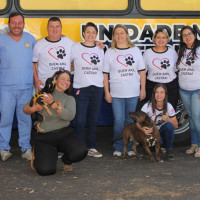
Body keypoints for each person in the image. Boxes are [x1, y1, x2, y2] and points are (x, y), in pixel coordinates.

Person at [24, 70, 88, 176]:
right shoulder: (42, 94)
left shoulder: (69, 99)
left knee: (80, 151)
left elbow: (70, 116)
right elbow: (25, 108)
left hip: (64, 134)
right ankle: (44, 156)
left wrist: (52, 103)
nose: (66, 82)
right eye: (62, 79)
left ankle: (66, 160)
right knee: (46, 171)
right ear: (55, 80)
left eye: (68, 80)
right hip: (45, 137)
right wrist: (33, 109)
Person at [103, 24, 146, 157]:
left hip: (132, 92)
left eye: (122, 33)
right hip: (116, 93)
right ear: (114, 36)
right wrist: (107, 92)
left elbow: (142, 72)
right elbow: (105, 74)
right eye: (116, 33)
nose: (119, 36)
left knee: (130, 122)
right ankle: (118, 146)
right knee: (119, 121)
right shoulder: (110, 52)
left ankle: (130, 147)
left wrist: (142, 89)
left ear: (127, 34)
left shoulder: (135, 51)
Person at [0, 12, 36, 161]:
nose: (16, 25)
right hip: (6, 87)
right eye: (13, 23)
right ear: (9, 24)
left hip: (26, 87)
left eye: (19, 22)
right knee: (6, 119)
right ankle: (3, 148)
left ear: (24, 24)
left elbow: (37, 61)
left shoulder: (30, 39)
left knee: (25, 120)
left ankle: (26, 147)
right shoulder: (1, 39)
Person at [71, 22, 104, 158]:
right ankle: (80, 147)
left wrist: (102, 45)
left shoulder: (101, 49)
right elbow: (68, 63)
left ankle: (91, 146)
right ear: (83, 33)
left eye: (93, 32)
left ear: (96, 35)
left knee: (93, 119)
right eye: (88, 32)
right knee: (80, 120)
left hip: (97, 88)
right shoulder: (75, 47)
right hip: (81, 88)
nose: (90, 34)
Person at [32, 17, 74, 93]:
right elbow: (32, 63)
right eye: (52, 27)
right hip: (45, 87)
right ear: (47, 28)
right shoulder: (39, 45)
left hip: (64, 88)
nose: (55, 30)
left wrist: (96, 43)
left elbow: (81, 51)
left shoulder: (69, 42)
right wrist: (36, 80)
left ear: (61, 28)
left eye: (57, 27)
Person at [176, 26, 200, 157]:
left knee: (197, 117)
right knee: (191, 117)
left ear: (195, 35)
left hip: (197, 90)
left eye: (189, 34)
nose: (187, 37)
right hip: (184, 89)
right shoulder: (181, 50)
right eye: (184, 35)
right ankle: (194, 144)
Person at [143, 28, 179, 109]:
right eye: (158, 37)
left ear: (167, 39)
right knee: (152, 114)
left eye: (164, 37)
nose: (161, 40)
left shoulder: (172, 52)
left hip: (171, 87)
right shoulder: (147, 53)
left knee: (169, 113)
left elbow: (177, 70)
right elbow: (142, 72)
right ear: (154, 39)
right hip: (152, 87)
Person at [141, 84, 178, 161]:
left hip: (161, 131)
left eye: (162, 92)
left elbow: (176, 126)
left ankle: (169, 150)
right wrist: (143, 129)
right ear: (154, 94)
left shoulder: (169, 106)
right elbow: (137, 123)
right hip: (152, 132)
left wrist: (168, 119)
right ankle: (154, 146)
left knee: (169, 126)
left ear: (165, 94)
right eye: (157, 92)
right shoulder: (147, 106)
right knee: (155, 144)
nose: (159, 95)